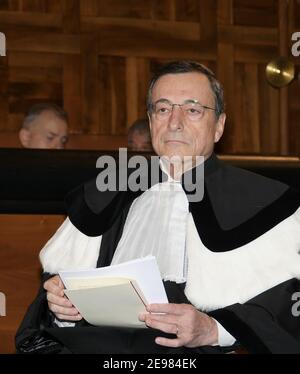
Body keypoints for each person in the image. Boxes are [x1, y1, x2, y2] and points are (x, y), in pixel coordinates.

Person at [16, 61, 300, 354]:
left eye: (192, 110)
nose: (174, 122)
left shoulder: (266, 204)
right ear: (151, 122)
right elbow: (50, 310)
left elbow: (286, 311)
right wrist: (61, 310)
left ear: (219, 126)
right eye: (163, 109)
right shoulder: (108, 193)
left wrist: (213, 329)